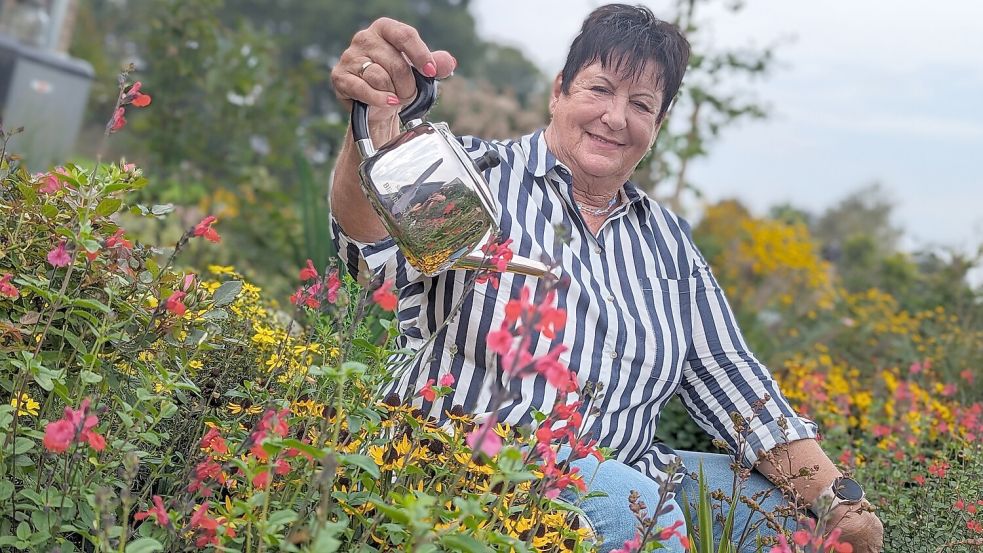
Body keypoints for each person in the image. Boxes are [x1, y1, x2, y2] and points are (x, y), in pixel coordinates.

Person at [329, 4, 884, 552]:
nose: (616, 117)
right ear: (558, 91)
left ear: (658, 125)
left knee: (798, 528)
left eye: (641, 104)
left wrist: (839, 502)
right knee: (639, 513)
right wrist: (370, 128)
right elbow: (369, 261)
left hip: (625, 469)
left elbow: (731, 374)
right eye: (599, 89)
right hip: (469, 461)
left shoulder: (667, 241)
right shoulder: (476, 178)